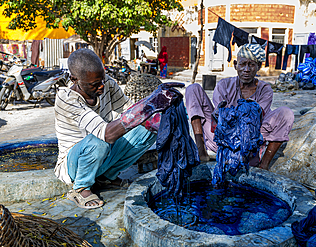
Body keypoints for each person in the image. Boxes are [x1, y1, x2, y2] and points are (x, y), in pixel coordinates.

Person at [54, 48, 182, 209]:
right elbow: (106, 134)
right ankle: (81, 187)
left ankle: (106, 176)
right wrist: (150, 104)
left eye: (102, 80)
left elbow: (129, 110)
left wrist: (159, 114)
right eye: (94, 84)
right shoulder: (66, 99)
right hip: (74, 163)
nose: (101, 87)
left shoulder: (106, 83)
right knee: (100, 140)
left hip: (103, 148)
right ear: (74, 79)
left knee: (149, 128)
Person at [185, 44, 294, 170]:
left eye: (251, 65)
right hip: (220, 141)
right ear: (236, 64)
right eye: (242, 64)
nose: (246, 69)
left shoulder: (265, 89)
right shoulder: (224, 85)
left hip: (249, 144)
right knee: (193, 89)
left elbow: (255, 117)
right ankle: (201, 150)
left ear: (258, 66)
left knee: (286, 113)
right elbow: (220, 118)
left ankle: (263, 165)